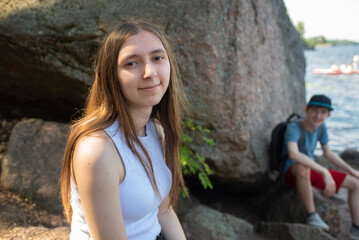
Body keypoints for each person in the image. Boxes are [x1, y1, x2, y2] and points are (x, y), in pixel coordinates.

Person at [60, 20, 188, 240]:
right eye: (132, 63)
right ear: (112, 76)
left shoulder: (156, 130)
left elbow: (163, 209)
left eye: (157, 58)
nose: (150, 72)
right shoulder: (97, 150)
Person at [281, 95, 359, 239]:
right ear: (306, 110)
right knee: (302, 168)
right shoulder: (294, 127)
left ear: (328, 115)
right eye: (315, 111)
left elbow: (328, 153)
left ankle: (356, 229)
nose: (318, 116)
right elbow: (293, 154)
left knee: (355, 183)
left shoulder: (321, 127)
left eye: (323, 112)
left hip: (312, 170)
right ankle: (312, 216)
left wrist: (351, 170)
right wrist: (324, 171)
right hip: (292, 173)